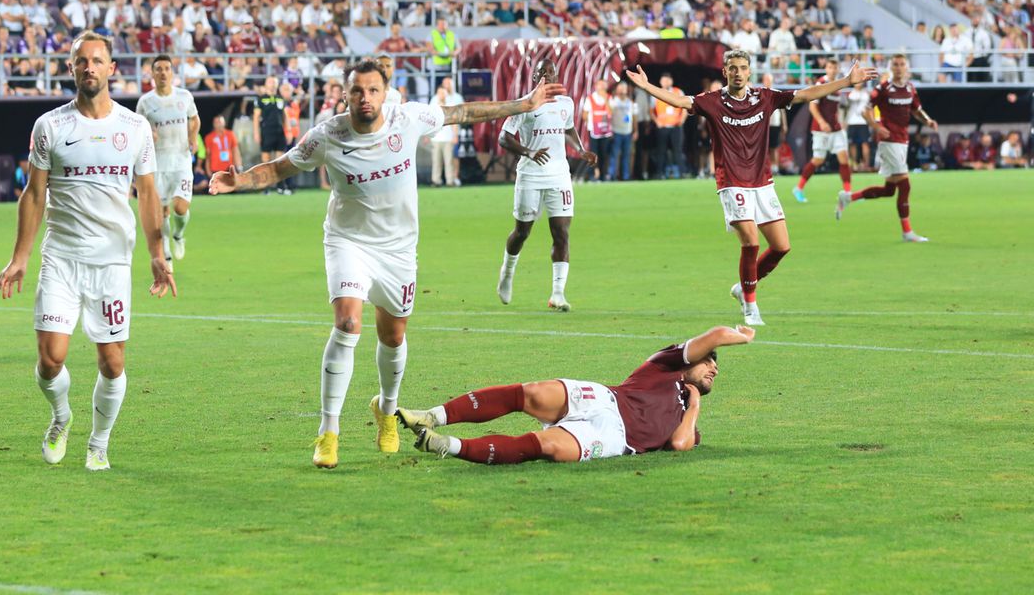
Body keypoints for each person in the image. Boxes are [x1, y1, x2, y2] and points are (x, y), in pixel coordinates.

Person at [209, 59, 566, 469]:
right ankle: (329, 432)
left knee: (393, 337)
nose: (365, 98)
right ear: (345, 94)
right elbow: (279, 167)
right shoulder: (327, 135)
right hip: (349, 242)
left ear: (385, 91)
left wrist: (524, 104)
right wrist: (241, 180)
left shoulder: (408, 118)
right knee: (346, 324)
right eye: (357, 90)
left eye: (373, 90)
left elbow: (463, 113)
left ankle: (388, 410)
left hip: (398, 249)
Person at [0, 30, 176, 473]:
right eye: (81, 61)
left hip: (112, 260)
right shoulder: (51, 126)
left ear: (112, 69)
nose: (89, 67)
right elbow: (34, 195)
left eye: (97, 60)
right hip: (61, 257)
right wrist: (20, 257)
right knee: (50, 357)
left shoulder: (134, 128)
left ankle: (99, 442)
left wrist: (158, 251)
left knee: (112, 363)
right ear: (71, 68)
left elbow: (148, 193)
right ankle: (61, 418)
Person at [627, 49, 877, 326]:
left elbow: (805, 95)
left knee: (781, 247)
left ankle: (742, 286)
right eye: (732, 68)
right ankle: (751, 306)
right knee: (752, 243)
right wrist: (647, 86)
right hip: (731, 182)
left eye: (742, 68)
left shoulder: (764, 97)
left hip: (762, 183)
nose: (737, 72)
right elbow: (678, 100)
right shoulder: (712, 101)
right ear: (725, 72)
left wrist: (845, 81)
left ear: (749, 72)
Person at [398, 324, 755, 464]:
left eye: (716, 366)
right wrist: (739, 336)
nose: (714, 367)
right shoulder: (665, 365)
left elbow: (679, 444)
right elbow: (715, 335)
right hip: (605, 399)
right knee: (530, 393)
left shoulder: (689, 423)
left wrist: (693, 406)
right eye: (709, 361)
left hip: (613, 438)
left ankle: (446, 445)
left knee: (546, 446)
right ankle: (432, 415)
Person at [496, 59, 597, 312]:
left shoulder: (566, 103)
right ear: (534, 78)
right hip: (530, 175)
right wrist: (528, 152)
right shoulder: (525, 104)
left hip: (559, 175)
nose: (546, 76)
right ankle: (507, 274)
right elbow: (503, 137)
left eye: (550, 72)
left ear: (556, 75)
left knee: (562, 233)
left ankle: (558, 293)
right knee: (522, 232)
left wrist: (581, 150)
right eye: (541, 72)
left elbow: (569, 128)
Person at [837, 54, 938, 243]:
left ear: (906, 68)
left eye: (902, 64)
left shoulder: (910, 88)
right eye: (895, 65)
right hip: (889, 141)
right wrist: (876, 127)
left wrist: (928, 120)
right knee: (905, 185)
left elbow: (916, 109)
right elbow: (865, 110)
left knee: (890, 190)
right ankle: (907, 232)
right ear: (891, 68)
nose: (899, 68)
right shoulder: (883, 88)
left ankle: (849, 197)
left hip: (902, 141)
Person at [137, 55, 200, 263]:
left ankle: (179, 235)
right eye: (158, 69)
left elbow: (195, 119)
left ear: (172, 73)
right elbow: (140, 131)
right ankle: (166, 251)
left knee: (181, 207)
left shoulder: (184, 96)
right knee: (162, 211)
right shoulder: (145, 102)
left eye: (166, 68)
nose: (163, 72)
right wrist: (149, 136)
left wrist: (192, 137)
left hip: (181, 160)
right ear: (152, 74)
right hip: (159, 162)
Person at [793, 59, 853, 202]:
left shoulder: (837, 86)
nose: (832, 70)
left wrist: (841, 121)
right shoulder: (820, 84)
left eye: (835, 67)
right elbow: (813, 107)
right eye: (830, 67)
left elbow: (837, 108)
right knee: (818, 160)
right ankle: (798, 188)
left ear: (838, 69)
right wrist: (822, 122)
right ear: (826, 68)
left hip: (836, 128)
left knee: (844, 157)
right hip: (821, 129)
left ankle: (848, 192)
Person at [253, 75, 290, 195]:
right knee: (266, 161)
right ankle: (266, 187)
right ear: (266, 84)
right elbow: (256, 117)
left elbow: (285, 116)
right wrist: (256, 133)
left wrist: (288, 130)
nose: (272, 84)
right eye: (270, 82)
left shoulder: (280, 98)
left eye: (274, 82)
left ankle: (281, 186)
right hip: (266, 131)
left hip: (279, 131)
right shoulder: (261, 99)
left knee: (280, 161)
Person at [651, 72, 686, 179]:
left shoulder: (678, 91)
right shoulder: (656, 92)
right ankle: (659, 173)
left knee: (678, 150)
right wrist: (657, 122)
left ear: (671, 81)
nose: (665, 82)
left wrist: (682, 120)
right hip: (663, 127)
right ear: (660, 82)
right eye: (663, 80)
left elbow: (685, 106)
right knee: (661, 151)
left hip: (676, 126)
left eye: (667, 80)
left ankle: (681, 173)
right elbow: (651, 110)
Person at [429, 76, 462, 186]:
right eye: (439, 93)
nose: (441, 95)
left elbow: (454, 122)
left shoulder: (450, 104)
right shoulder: (433, 104)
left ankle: (450, 180)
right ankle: (436, 180)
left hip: (448, 137)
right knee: (436, 161)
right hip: (436, 138)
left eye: (443, 93)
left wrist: (455, 135)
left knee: (449, 161)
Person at [580, 78, 613, 181]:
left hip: (605, 132)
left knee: (604, 154)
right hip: (594, 131)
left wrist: (606, 100)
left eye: (604, 85)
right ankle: (592, 175)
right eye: (600, 85)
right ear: (596, 86)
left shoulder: (609, 97)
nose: (602, 87)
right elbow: (584, 115)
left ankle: (603, 176)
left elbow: (611, 113)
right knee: (594, 154)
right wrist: (593, 121)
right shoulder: (590, 98)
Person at [609, 81, 638, 181]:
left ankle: (625, 176)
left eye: (624, 88)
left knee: (626, 155)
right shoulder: (613, 101)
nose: (622, 90)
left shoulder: (631, 102)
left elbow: (634, 117)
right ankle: (612, 176)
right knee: (614, 155)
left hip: (627, 132)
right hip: (616, 131)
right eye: (620, 88)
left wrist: (636, 130)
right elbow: (609, 115)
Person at [204, 114, 241, 179]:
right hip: (215, 169)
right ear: (213, 124)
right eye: (216, 122)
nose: (219, 124)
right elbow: (208, 155)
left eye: (220, 122)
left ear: (224, 123)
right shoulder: (209, 137)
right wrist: (208, 170)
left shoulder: (230, 134)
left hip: (229, 168)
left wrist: (239, 166)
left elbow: (236, 151)